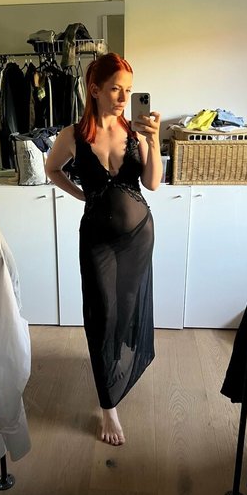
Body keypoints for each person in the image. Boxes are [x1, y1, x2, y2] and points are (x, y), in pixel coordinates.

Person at [45, 52, 162, 446]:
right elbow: (51, 169)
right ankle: (108, 404)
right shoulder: (72, 136)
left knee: (126, 307)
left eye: (128, 90)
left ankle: (114, 363)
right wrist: (82, 194)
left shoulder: (135, 131)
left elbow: (153, 183)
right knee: (102, 314)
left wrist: (153, 140)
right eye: (115, 89)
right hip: (96, 239)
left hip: (138, 235)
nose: (124, 98)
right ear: (94, 90)